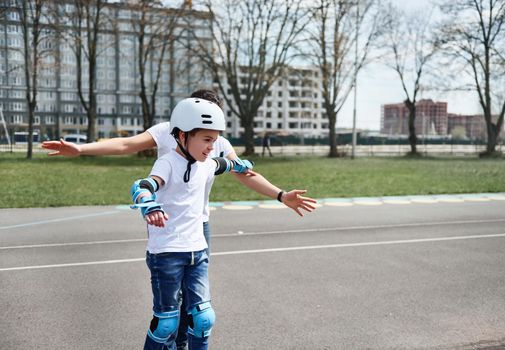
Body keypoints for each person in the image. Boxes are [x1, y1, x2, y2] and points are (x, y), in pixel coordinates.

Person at [42, 89, 317, 349]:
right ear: (184, 125)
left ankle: (183, 342)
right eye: (205, 134)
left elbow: (242, 171)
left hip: (199, 225)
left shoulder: (216, 141)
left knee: (199, 309)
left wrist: (281, 195)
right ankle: (170, 341)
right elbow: (126, 144)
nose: (211, 142)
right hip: (165, 222)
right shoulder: (167, 132)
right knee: (169, 312)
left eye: (214, 133)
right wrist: (81, 149)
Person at [132, 97, 254, 349]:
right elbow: (145, 185)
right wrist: (149, 203)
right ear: (183, 135)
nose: (213, 146)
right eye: (207, 140)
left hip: (197, 252)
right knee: (167, 322)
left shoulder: (206, 164)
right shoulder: (166, 162)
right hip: (166, 253)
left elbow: (224, 164)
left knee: (203, 318)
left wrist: (239, 165)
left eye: (215, 139)